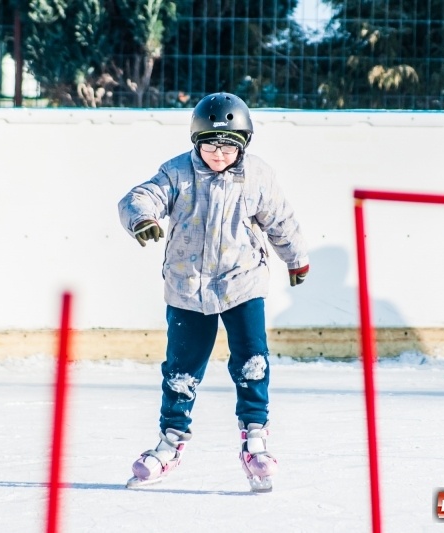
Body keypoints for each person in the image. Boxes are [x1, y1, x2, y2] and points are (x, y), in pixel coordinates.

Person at [118, 92, 309, 492]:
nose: (217, 154)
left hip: (243, 283)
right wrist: (143, 218)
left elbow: (280, 218)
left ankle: (255, 438)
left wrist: (295, 258)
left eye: (226, 146)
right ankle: (170, 442)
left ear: (243, 145)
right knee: (181, 371)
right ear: (195, 141)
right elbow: (140, 197)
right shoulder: (177, 173)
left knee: (252, 362)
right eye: (209, 144)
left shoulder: (257, 175)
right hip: (187, 288)